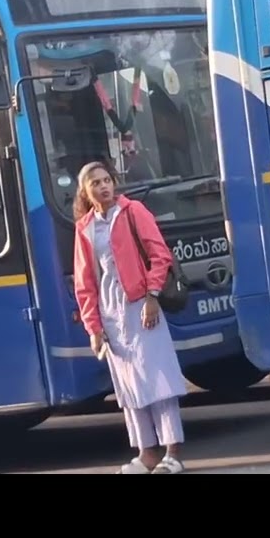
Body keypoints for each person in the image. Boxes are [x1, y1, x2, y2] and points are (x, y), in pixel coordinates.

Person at [72, 160, 189, 474]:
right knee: (130, 386)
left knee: (159, 380)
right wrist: (93, 327)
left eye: (107, 180)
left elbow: (159, 254)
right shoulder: (84, 228)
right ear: (85, 191)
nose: (103, 186)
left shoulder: (133, 211)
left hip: (141, 305)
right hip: (112, 314)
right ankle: (146, 453)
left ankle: (172, 454)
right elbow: (85, 283)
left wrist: (151, 296)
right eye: (95, 183)